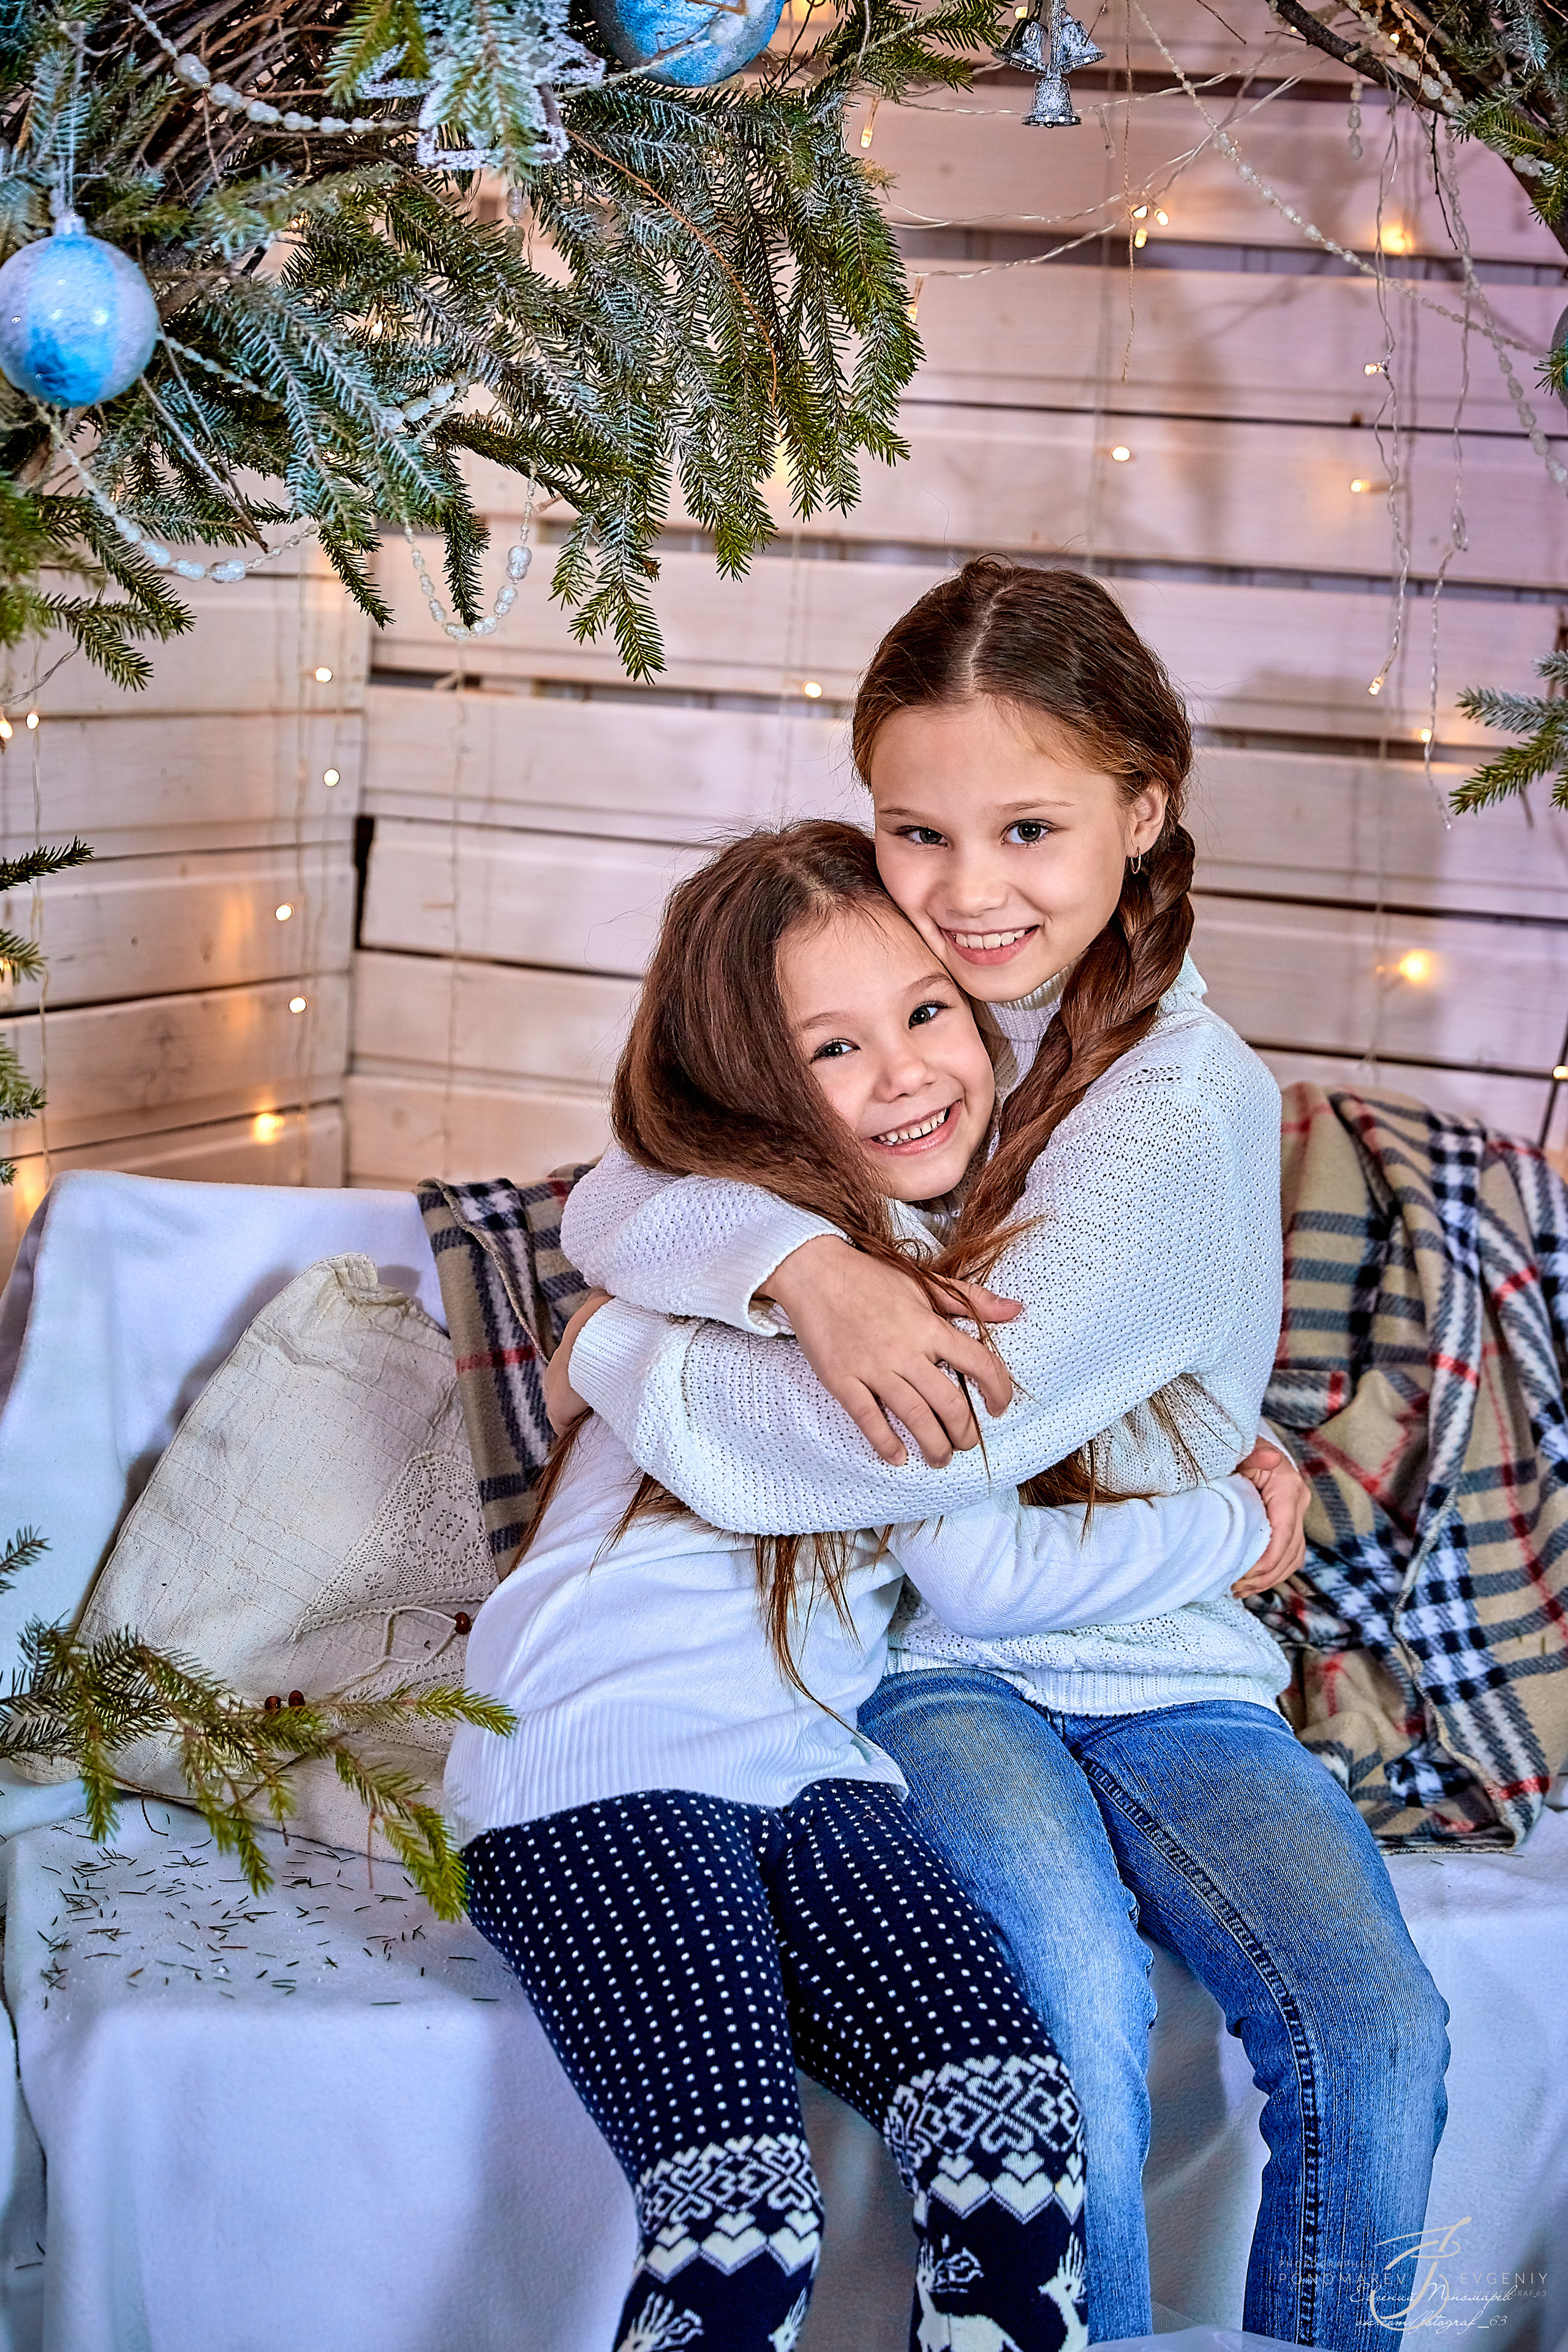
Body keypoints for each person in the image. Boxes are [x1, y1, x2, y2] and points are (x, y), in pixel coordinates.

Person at [546, 562, 1451, 2352]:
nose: (968, 895)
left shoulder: (1168, 1110)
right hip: (943, 1659)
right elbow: (644, 1167)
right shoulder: (916, 1008)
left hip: (1164, 1656)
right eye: (916, 830)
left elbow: (911, 1436)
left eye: (1029, 827)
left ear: (1145, 808)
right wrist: (797, 1264)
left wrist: (614, 1349)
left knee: (1378, 2030)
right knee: (1067, 2008)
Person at [449, 820, 1305, 2352]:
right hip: (608, 1767)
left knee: (1010, 2146)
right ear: (753, 1092)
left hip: (810, 1766)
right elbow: (982, 1570)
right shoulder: (754, 1251)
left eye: (924, 1012)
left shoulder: (906, 1265)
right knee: (742, 2218)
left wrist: (634, 1337)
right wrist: (1229, 1531)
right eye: (830, 1048)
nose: (906, 1073)